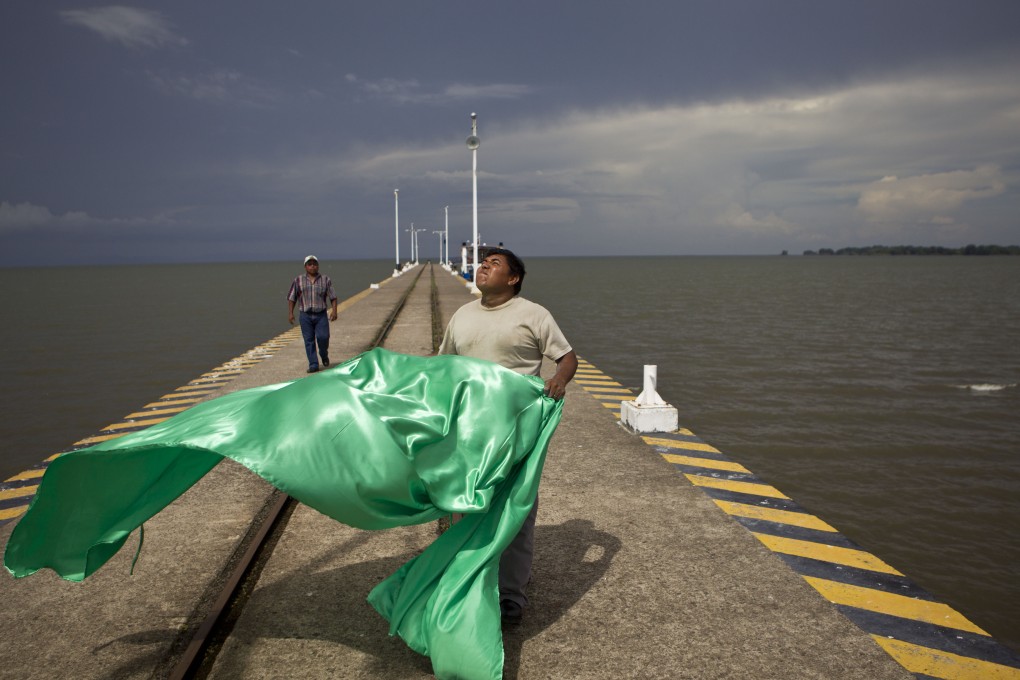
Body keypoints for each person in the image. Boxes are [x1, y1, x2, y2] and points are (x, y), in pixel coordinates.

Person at [438, 247, 578, 624]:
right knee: (465, 506)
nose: (483, 266)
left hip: (516, 428)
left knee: (515, 510)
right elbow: (443, 366)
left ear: (513, 278)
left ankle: (511, 596)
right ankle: (469, 580)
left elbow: (567, 357)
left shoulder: (533, 314)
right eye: (483, 262)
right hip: (468, 429)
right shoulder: (462, 315)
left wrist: (559, 381)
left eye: (494, 263)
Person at [287, 255, 338, 373]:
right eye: (309, 264)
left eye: (314, 264)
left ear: (318, 266)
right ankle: (313, 364)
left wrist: (334, 311)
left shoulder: (325, 280)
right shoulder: (298, 280)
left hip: (321, 315)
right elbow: (291, 298)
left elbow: (333, 297)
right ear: (305, 266)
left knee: (323, 337)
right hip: (305, 315)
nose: (312, 266)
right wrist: (290, 313)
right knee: (308, 340)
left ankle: (323, 354)